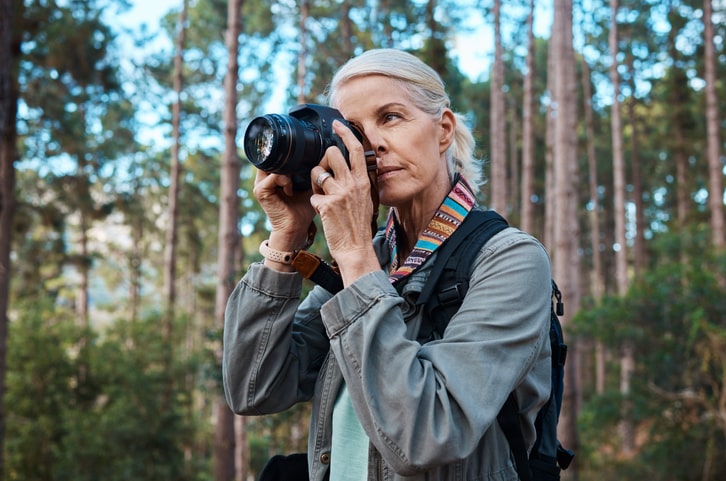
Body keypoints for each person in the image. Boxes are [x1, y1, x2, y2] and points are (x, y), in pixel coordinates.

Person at [223, 48, 552, 481]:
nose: (372, 143)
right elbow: (255, 387)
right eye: (354, 132)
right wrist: (286, 237)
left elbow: (426, 435)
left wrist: (354, 251)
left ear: (443, 130)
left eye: (391, 117)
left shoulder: (509, 259)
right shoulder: (376, 256)